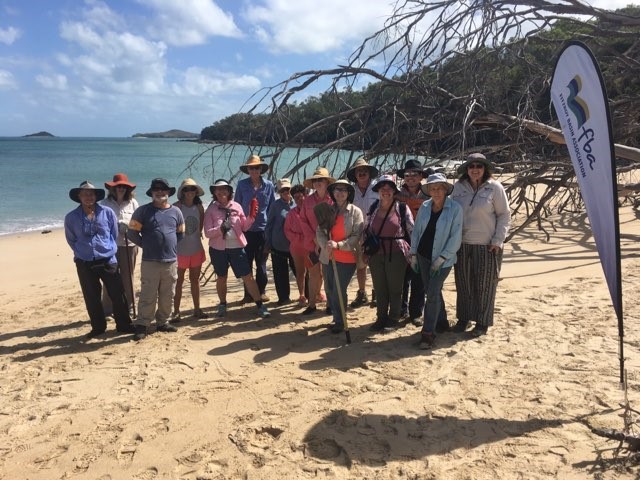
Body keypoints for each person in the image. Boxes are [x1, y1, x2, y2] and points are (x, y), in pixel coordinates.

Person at [450, 153, 511, 337]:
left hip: (487, 245)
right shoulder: (458, 187)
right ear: (466, 169)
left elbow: (504, 215)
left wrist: (498, 240)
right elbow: (450, 212)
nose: (475, 169)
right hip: (462, 244)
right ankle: (464, 318)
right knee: (463, 284)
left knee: (485, 285)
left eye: (479, 166)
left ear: (485, 169)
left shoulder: (494, 188)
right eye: (471, 166)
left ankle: (482, 322)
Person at [64, 181, 134, 337]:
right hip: (84, 261)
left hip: (107, 259)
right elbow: (71, 240)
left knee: (118, 294)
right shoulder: (71, 217)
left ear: (96, 196)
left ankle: (124, 325)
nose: (88, 197)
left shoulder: (107, 212)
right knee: (92, 297)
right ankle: (98, 327)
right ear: (79, 196)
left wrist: (106, 249)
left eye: (91, 194)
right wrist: (83, 252)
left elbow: (113, 234)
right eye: (85, 194)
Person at [127, 178, 185, 341]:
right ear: (152, 193)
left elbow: (180, 234)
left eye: (163, 189)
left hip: (171, 261)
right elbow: (132, 233)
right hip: (150, 261)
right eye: (156, 189)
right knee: (148, 293)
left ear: (168, 192)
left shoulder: (177, 212)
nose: (160, 192)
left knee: (168, 294)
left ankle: (163, 322)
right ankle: (143, 324)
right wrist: (146, 244)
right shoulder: (143, 211)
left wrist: (169, 247)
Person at [204, 179, 271, 319]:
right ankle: (222, 304)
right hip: (218, 249)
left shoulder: (237, 206)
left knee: (248, 277)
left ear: (229, 191)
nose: (221, 192)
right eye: (218, 189)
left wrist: (251, 217)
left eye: (224, 189)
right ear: (214, 192)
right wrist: (220, 229)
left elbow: (244, 227)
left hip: (237, 247)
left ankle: (260, 305)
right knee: (221, 277)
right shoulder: (211, 209)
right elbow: (207, 233)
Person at [410, 173, 463, 349]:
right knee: (432, 290)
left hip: (444, 259)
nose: (436, 191)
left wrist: (441, 259)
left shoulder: (455, 208)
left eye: (439, 188)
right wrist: (412, 254)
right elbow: (417, 231)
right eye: (433, 188)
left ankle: (428, 333)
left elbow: (456, 238)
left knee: (432, 292)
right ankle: (441, 321)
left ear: (446, 190)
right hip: (423, 256)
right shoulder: (425, 206)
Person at [365, 175, 414, 332]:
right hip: (375, 253)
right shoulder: (373, 207)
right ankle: (381, 317)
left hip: (397, 253)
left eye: (389, 188)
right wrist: (363, 251)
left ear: (394, 191)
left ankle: (393, 318)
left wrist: (413, 253)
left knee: (395, 288)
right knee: (379, 288)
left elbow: (411, 230)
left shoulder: (402, 208)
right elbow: (366, 230)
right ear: (378, 190)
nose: (385, 191)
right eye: (382, 188)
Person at [316, 179, 364, 333]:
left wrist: (339, 245)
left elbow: (357, 235)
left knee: (338, 289)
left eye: (344, 190)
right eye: (337, 189)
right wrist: (326, 245)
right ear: (333, 192)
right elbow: (320, 232)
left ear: (349, 193)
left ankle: (341, 321)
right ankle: (337, 318)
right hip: (329, 257)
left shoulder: (355, 212)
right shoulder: (328, 210)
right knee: (329, 289)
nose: (340, 193)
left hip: (347, 257)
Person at [234, 154, 276, 303]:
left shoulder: (269, 185)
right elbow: (236, 207)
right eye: (251, 168)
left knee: (262, 263)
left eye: (256, 168)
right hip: (245, 231)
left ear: (261, 169)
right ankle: (248, 294)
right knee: (247, 263)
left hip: (262, 230)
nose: (254, 170)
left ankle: (262, 292)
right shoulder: (241, 185)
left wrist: (271, 230)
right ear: (248, 170)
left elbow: (272, 207)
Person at [395, 159, 431, 327]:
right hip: (402, 239)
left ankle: (416, 313)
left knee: (419, 277)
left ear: (421, 176)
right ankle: (401, 308)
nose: (410, 178)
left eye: (414, 174)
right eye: (407, 174)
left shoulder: (429, 194)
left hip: (423, 239)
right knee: (402, 276)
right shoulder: (396, 194)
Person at [299, 166, 335, 315]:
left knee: (328, 275)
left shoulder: (333, 199)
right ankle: (312, 304)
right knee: (313, 274)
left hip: (328, 243)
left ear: (327, 182)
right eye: (315, 180)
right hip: (311, 244)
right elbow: (303, 221)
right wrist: (314, 240)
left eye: (321, 180)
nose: (318, 182)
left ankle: (330, 305)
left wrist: (325, 241)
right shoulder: (307, 201)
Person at [101, 173, 139, 317]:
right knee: (109, 277)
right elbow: (100, 223)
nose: (121, 189)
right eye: (118, 186)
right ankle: (108, 308)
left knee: (128, 277)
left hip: (129, 244)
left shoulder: (133, 203)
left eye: (123, 186)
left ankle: (128, 306)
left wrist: (129, 226)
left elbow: (138, 222)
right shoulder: (104, 204)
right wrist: (115, 226)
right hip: (110, 246)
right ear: (112, 188)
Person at [172, 178, 208, 321]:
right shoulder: (176, 207)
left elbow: (200, 228)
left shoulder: (199, 207)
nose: (189, 192)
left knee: (195, 280)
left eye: (192, 189)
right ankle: (175, 311)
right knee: (178, 282)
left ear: (196, 192)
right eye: (186, 189)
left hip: (196, 249)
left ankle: (197, 309)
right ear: (182, 192)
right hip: (180, 251)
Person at [346, 158, 379, 308]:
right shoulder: (351, 191)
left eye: (364, 170)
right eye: (359, 171)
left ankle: (377, 293)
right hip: (358, 233)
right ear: (355, 174)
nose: (362, 173)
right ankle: (362, 293)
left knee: (377, 266)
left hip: (376, 233)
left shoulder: (378, 188)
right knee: (361, 265)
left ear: (369, 173)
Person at [265, 178, 297, 305]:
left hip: (295, 245)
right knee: (280, 274)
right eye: (282, 190)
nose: (285, 192)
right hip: (278, 245)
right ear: (278, 192)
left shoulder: (297, 203)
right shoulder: (275, 205)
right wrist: (268, 244)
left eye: (287, 189)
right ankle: (284, 298)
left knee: (300, 272)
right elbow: (269, 225)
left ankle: (306, 294)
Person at [284, 184, 310, 306]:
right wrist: (298, 238)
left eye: (301, 196)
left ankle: (317, 293)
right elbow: (287, 230)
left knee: (316, 272)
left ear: (305, 196)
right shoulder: (291, 213)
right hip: (297, 247)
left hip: (311, 245)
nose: (299, 199)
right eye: (296, 197)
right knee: (300, 272)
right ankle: (302, 294)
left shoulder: (312, 210)